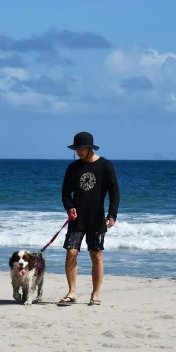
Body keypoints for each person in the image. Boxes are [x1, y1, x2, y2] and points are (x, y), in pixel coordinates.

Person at [59, 131, 120, 306]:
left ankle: (95, 294)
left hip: (96, 218)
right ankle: (72, 292)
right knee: (71, 252)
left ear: (90, 148)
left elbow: (114, 192)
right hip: (77, 218)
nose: (78, 152)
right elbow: (65, 193)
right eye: (76, 149)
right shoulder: (73, 168)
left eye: (81, 149)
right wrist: (69, 207)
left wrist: (112, 214)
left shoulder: (105, 165)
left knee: (96, 255)